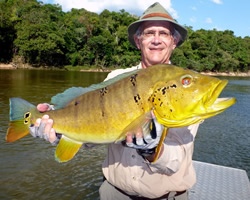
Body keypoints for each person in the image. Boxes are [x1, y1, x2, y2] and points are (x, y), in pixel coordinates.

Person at [30, 2, 200, 200]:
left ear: (174, 42)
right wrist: (58, 126)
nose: (156, 39)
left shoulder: (187, 85)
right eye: (148, 33)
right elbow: (92, 134)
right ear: (138, 41)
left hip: (168, 196)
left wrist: (153, 149)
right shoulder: (116, 77)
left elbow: (177, 160)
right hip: (114, 193)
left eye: (164, 33)